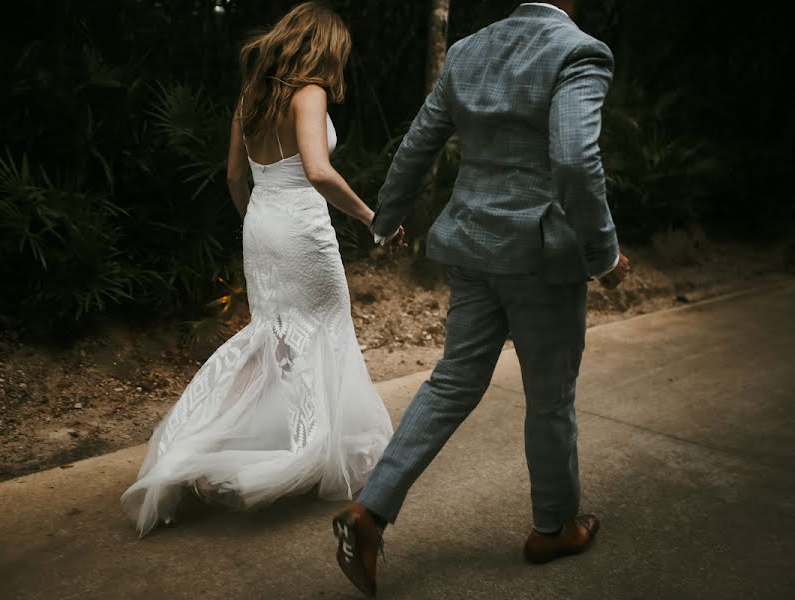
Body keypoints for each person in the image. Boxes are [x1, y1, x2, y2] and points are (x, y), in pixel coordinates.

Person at [332, 1, 631, 595]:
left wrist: (386, 220)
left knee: (452, 381)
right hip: (542, 259)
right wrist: (605, 256)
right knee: (549, 399)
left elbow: (418, 143)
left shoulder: (468, 50)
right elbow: (575, 161)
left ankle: (370, 511)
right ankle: (553, 529)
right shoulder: (579, 51)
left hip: (470, 244)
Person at [121, 2, 395, 538]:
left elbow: (232, 176)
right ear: (324, 46)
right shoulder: (309, 92)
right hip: (302, 230)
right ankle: (307, 446)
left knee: (274, 337)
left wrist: (258, 222)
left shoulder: (252, 95)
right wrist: (372, 217)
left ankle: (199, 442)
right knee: (325, 333)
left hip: (262, 226)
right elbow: (317, 170)